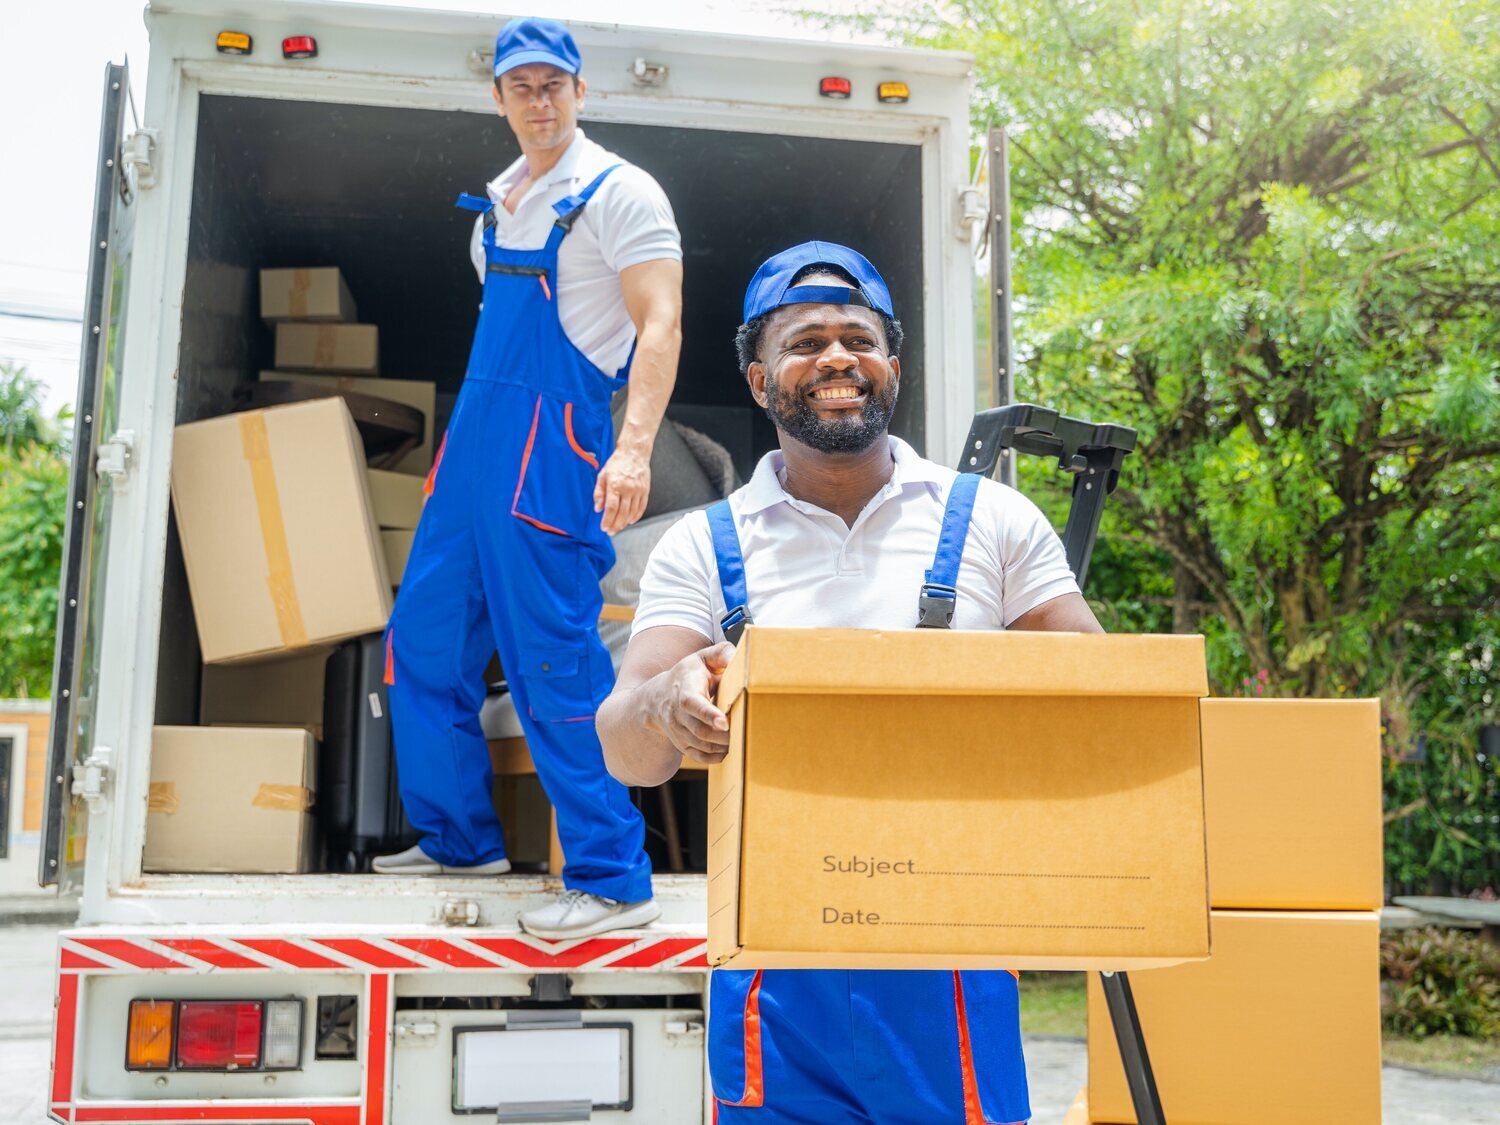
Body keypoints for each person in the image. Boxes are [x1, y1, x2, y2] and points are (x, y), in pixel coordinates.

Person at [597, 242, 1102, 1122]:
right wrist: (665, 697)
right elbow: (624, 751)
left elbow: (1106, 710)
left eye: (858, 338)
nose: (836, 358)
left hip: (952, 962)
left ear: (892, 368)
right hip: (774, 977)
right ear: (760, 381)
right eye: (804, 342)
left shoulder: (990, 519)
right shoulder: (704, 546)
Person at [375, 17, 683, 942]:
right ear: (499, 97)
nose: (539, 101)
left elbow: (658, 324)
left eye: (555, 84)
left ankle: (611, 877)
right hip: (473, 454)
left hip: (551, 457)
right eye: (522, 86)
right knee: (421, 643)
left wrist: (633, 450)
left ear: (581, 93)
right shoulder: (500, 205)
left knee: (554, 663)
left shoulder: (622, 193)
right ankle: (459, 836)